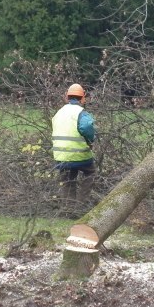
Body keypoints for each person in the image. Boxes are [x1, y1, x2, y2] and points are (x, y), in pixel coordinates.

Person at [51, 83, 97, 211]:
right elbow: (87, 127)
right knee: (90, 172)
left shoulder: (58, 113)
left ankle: (68, 208)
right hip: (79, 154)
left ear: (66, 97)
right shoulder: (81, 113)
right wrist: (90, 140)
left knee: (67, 179)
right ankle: (81, 205)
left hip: (60, 155)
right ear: (83, 98)